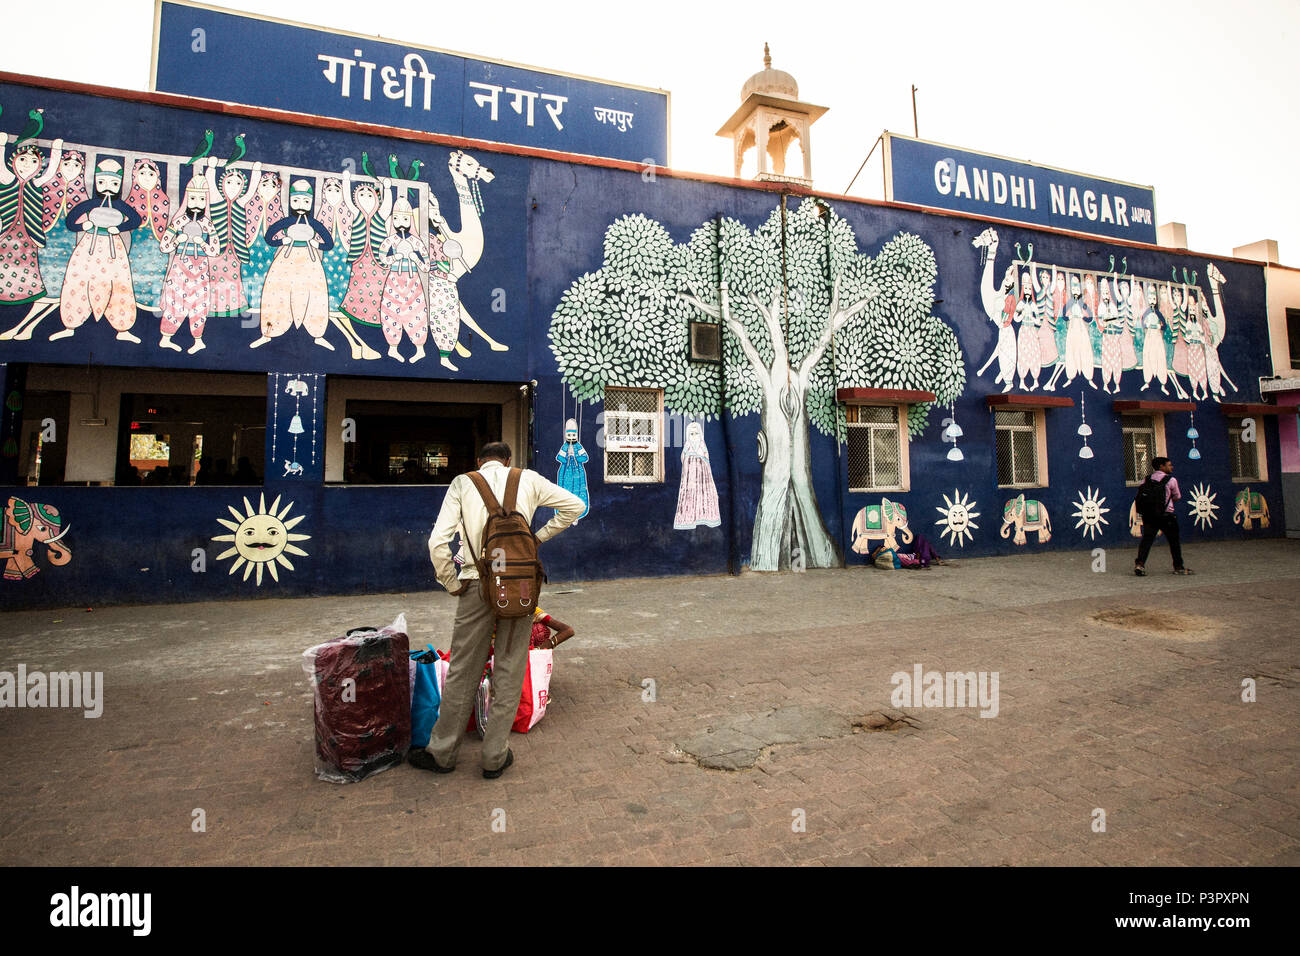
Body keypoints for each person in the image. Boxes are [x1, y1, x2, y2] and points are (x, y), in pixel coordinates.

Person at [416, 441, 584, 778]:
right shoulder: (530, 479)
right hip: (520, 585)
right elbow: (576, 505)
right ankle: (494, 757)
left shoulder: (464, 482)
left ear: (479, 461)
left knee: (464, 668)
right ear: (509, 461)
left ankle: (442, 753)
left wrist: (451, 582)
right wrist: (537, 538)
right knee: (509, 666)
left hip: (477, 581)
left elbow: (438, 542)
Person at [1134, 457, 1192, 576]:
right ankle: (1178, 567)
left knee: (1147, 540)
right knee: (1173, 541)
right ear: (1161, 466)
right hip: (1166, 516)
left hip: (1149, 515)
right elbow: (1177, 496)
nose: (1171, 467)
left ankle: (1140, 564)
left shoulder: (1146, 479)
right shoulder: (1171, 480)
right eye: (1169, 465)